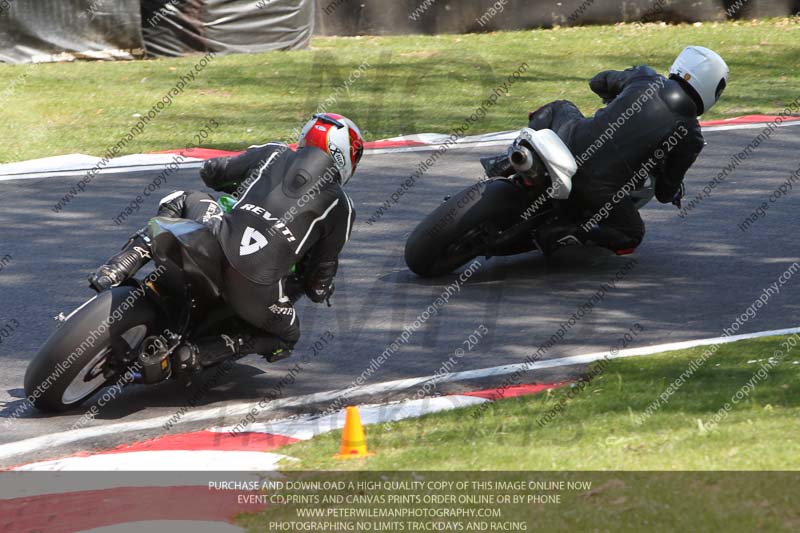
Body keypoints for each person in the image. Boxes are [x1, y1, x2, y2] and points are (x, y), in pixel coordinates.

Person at [89, 113, 363, 362]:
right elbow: (318, 280)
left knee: (183, 198)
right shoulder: (343, 207)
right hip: (258, 291)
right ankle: (196, 354)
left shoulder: (273, 153)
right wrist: (320, 290)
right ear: (345, 159)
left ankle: (116, 269)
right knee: (287, 337)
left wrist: (240, 184)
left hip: (216, 240)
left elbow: (212, 171)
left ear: (306, 137)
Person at [485, 46, 728, 255]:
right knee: (632, 234)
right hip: (598, 190)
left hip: (570, 142)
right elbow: (665, 193)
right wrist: (674, 188)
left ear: (682, 65)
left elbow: (597, 81)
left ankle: (506, 162)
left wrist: (617, 91)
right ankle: (567, 232)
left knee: (561, 106)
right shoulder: (691, 135)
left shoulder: (645, 78)